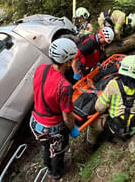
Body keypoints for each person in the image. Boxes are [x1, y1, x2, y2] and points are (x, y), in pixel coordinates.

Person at [29, 38, 80, 181]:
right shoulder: (64, 86)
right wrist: (72, 129)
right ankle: (56, 173)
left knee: (47, 147)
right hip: (52, 128)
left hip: (36, 123)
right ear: (67, 61)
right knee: (58, 151)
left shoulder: (41, 69)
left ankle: (48, 167)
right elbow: (67, 117)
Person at [86, 55, 135, 146]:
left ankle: (90, 143)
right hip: (132, 125)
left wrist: (107, 101)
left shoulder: (113, 84)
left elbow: (99, 108)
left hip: (116, 126)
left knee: (92, 124)